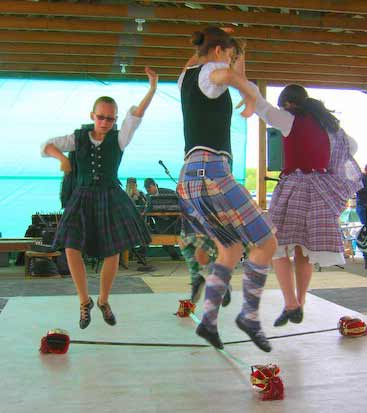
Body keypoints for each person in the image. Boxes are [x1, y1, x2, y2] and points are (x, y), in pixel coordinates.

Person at [177, 27, 277, 352]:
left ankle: (208, 322)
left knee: (231, 250)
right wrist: (252, 97)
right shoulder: (210, 72)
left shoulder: (187, 76)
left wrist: (237, 47)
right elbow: (228, 76)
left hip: (192, 177)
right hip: (212, 171)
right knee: (265, 242)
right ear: (220, 52)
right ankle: (248, 316)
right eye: (230, 56)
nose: (233, 64)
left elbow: (224, 67)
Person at [40, 67, 158, 329]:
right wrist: (61, 159)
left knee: (112, 250)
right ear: (92, 116)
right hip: (81, 198)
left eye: (110, 119)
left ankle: (103, 300)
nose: (105, 122)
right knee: (71, 247)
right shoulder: (78, 138)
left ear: (115, 119)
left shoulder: (120, 138)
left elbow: (136, 115)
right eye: (101, 117)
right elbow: (47, 144)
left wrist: (152, 89)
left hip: (109, 196)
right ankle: (85, 302)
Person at [246, 82, 363, 327]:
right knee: (304, 251)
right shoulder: (330, 127)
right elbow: (352, 146)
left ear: (288, 103)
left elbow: (261, 106)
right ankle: (300, 301)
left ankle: (290, 303)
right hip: (321, 189)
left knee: (276, 245)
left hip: (295, 188)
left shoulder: (289, 120)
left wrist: (239, 80)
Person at [144, 177, 181, 260]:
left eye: (149, 188)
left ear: (154, 185)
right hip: (160, 222)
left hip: (173, 220)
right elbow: (148, 209)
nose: (148, 191)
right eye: (147, 189)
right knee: (162, 233)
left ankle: (174, 254)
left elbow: (178, 203)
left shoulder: (169, 192)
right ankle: (174, 255)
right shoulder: (148, 196)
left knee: (168, 233)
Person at [356, 165, 367, 268]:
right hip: (363, 207)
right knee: (365, 233)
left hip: (362, 207)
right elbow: (359, 190)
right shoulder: (360, 178)